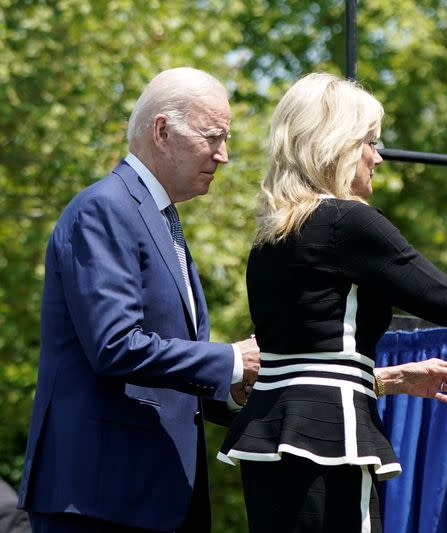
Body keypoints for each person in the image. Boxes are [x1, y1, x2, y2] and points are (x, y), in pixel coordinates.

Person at [218, 72, 447, 532]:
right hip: (331, 439)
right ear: (336, 145)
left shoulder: (270, 236)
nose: (377, 157)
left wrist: (390, 378)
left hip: (270, 435)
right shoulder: (346, 221)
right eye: (370, 142)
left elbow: (309, 360)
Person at [17, 67, 263, 533]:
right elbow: (116, 346)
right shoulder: (106, 208)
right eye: (214, 137)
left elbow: (163, 363)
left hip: (150, 497)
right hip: (100, 499)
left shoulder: (159, 217)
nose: (224, 155)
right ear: (163, 131)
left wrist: (227, 385)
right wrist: (229, 359)